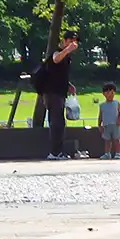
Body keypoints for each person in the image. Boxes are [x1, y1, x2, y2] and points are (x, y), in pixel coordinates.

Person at [39, 30, 78, 160]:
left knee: (60, 123)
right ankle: (55, 153)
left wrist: (69, 85)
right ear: (65, 41)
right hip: (52, 93)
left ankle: (58, 151)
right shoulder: (57, 52)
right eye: (71, 41)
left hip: (59, 92)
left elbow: (58, 75)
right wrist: (67, 50)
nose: (73, 44)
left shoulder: (67, 58)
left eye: (75, 41)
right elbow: (55, 59)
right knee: (56, 123)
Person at [97, 82, 120, 160]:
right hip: (106, 125)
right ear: (104, 94)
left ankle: (118, 153)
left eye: (113, 92)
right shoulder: (102, 105)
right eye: (109, 92)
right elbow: (100, 116)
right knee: (107, 140)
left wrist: (119, 118)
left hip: (115, 124)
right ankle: (107, 153)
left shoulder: (116, 103)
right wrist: (99, 125)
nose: (111, 94)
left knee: (117, 139)